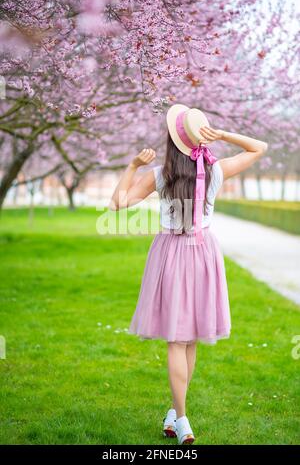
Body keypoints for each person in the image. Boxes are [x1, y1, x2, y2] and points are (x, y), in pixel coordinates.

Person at [109, 104, 268, 445]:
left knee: (179, 338)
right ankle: (179, 416)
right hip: (203, 252)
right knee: (187, 338)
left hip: (170, 253)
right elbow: (259, 147)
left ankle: (178, 416)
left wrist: (133, 164)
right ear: (202, 139)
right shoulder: (217, 170)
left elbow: (117, 203)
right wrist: (223, 135)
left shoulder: (159, 175)